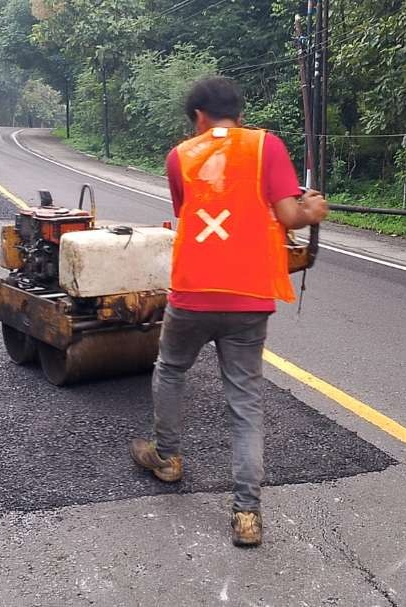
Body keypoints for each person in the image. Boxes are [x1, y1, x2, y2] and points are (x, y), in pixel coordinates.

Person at [129, 77, 328, 547]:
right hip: (248, 296)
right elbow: (288, 215)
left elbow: (189, 212)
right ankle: (246, 514)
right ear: (239, 113)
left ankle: (168, 456)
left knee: (172, 369)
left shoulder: (180, 156)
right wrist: (313, 210)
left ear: (198, 117)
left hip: (193, 292)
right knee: (244, 403)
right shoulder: (267, 147)